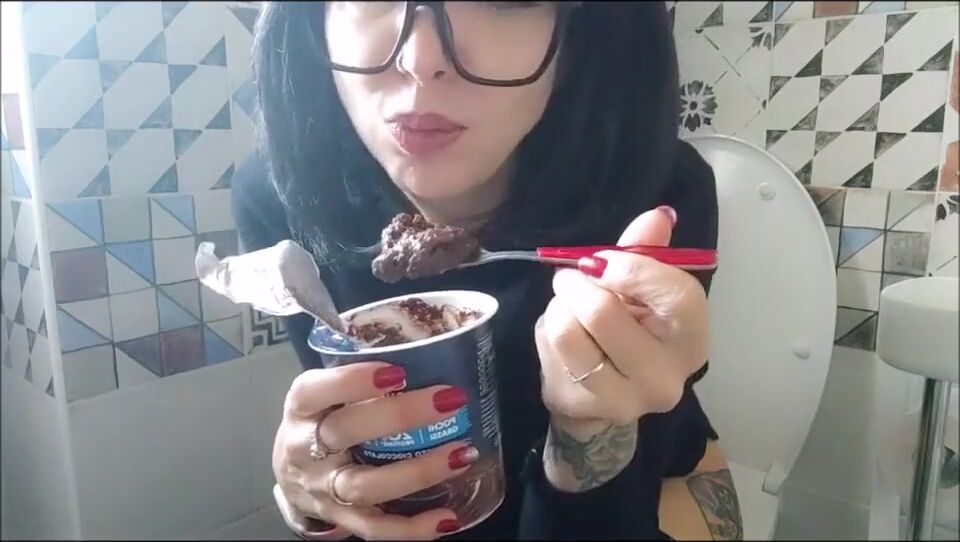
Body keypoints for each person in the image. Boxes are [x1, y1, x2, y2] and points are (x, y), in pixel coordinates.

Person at [233, 2, 743, 540]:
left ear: (579, 31)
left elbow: (619, 503)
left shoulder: (654, 191)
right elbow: (355, 461)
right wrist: (314, 489)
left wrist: (590, 432)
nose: (419, 59)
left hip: (653, 482)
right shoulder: (283, 200)